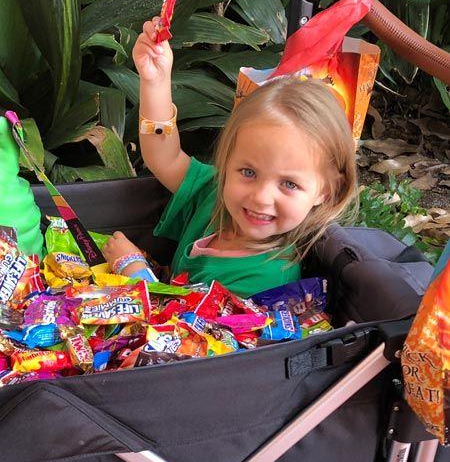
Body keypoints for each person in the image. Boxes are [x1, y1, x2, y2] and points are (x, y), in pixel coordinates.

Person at [102, 17, 358, 298]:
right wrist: (155, 81)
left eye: (289, 184)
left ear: (326, 191)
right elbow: (164, 157)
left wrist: (134, 269)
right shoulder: (215, 192)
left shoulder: (267, 277)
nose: (260, 197)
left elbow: (185, 333)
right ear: (227, 161)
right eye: (248, 172)